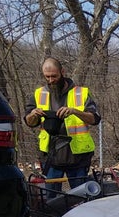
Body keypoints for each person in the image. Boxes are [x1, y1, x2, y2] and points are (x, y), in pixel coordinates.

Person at [23, 57, 101, 189]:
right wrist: (33, 115)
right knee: (51, 200)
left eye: (54, 76)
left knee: (81, 195)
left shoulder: (81, 93)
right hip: (51, 156)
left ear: (62, 72)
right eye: (47, 77)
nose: (51, 80)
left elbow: (95, 119)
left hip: (78, 157)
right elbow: (29, 122)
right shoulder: (39, 94)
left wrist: (75, 111)